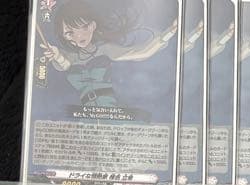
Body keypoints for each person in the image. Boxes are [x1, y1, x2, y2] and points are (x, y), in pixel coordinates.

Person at [40, 0, 179, 107]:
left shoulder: (105, 49)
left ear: (93, 25)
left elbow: (142, 53)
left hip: (111, 110)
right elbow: (64, 64)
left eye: (84, 27)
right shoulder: (71, 57)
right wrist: (56, 56)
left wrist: (169, 33)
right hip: (85, 115)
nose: (79, 36)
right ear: (64, 36)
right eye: (69, 33)